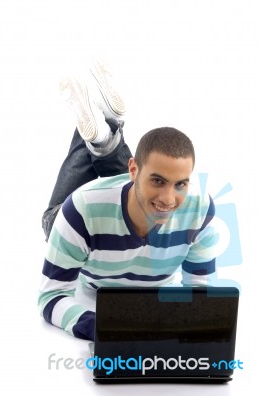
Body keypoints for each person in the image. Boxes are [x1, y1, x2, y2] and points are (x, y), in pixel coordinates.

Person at [39, 59, 219, 341]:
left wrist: (188, 327)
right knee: (53, 218)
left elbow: (199, 293)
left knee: (143, 192)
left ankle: (103, 135)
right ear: (131, 170)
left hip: (120, 197)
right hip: (78, 224)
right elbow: (51, 296)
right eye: (158, 181)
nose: (169, 198)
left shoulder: (200, 210)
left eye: (180, 184)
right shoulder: (80, 211)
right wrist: (104, 328)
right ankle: (106, 129)